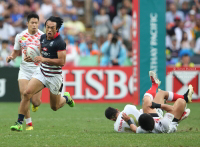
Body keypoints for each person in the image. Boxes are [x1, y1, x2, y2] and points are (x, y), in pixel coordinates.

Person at [10, 16, 75, 132]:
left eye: (52, 28)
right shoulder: (43, 38)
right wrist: (34, 59)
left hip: (54, 76)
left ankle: (66, 97)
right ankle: (19, 123)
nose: (49, 30)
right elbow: (42, 53)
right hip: (42, 72)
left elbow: (62, 62)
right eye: (47, 27)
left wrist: (44, 59)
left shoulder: (60, 42)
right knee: (26, 94)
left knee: (54, 107)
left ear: (58, 29)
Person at [6, 13, 43, 131]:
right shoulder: (20, 36)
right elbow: (16, 52)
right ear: (27, 23)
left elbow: (45, 54)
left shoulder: (42, 36)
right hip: (25, 69)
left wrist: (35, 58)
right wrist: (11, 57)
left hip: (38, 71)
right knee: (25, 95)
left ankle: (35, 105)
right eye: (32, 23)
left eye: (36, 23)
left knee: (36, 102)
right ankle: (27, 123)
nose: (34, 25)